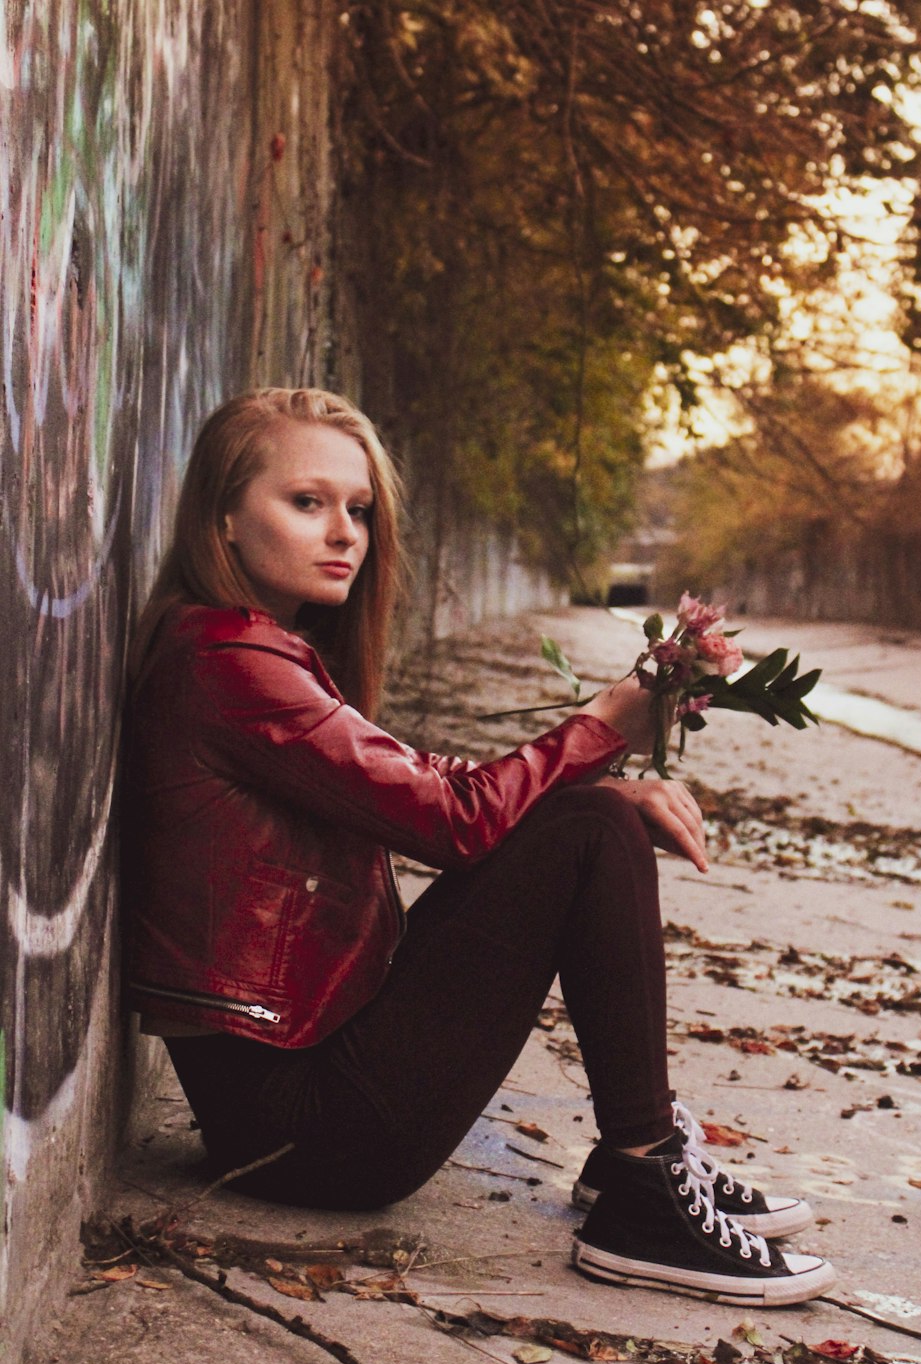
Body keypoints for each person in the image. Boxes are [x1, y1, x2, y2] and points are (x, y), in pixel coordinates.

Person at [123, 386, 836, 1308]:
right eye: (307, 503)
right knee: (592, 825)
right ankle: (643, 1184)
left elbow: (416, 776)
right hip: (301, 1132)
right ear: (221, 519)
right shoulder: (231, 662)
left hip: (295, 1086)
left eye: (359, 509)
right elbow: (449, 820)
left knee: (595, 815)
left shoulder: (254, 649)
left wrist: (595, 768)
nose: (344, 532)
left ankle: (641, 1163)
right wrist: (602, 725)